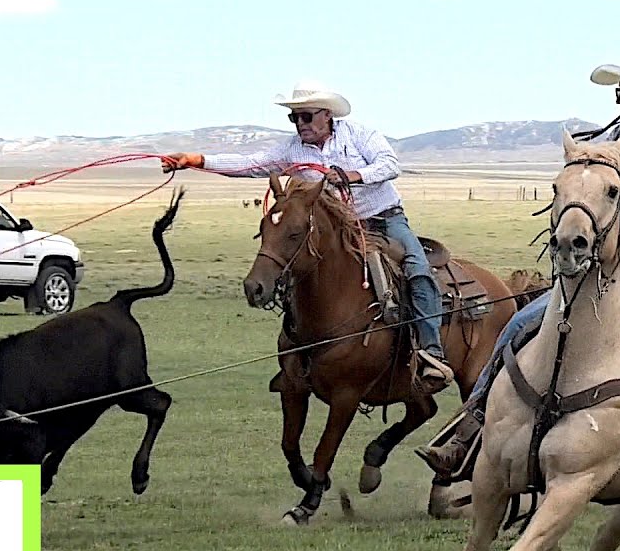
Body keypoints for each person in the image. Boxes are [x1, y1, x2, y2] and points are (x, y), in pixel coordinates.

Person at [415, 45, 620, 548]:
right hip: (604, 275)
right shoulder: (615, 141)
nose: (619, 98)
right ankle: (468, 431)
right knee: (518, 327)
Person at [159, 80, 454, 390]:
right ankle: (297, 354)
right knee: (299, 272)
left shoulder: (359, 135)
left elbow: (389, 165)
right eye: (294, 118)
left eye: (306, 116)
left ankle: (429, 353)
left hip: (383, 218)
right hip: (338, 229)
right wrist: (197, 161)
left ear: (326, 115)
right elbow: (251, 164)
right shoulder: (291, 149)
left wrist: (352, 175)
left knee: (418, 272)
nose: (300, 124)